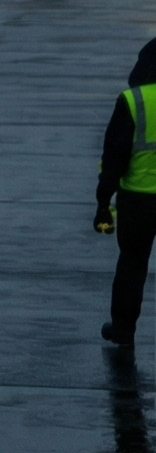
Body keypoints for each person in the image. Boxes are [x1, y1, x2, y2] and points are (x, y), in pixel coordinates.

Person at [96, 36, 156, 347]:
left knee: (132, 264)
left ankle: (123, 328)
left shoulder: (133, 101)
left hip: (138, 201)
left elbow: (114, 157)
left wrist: (103, 203)